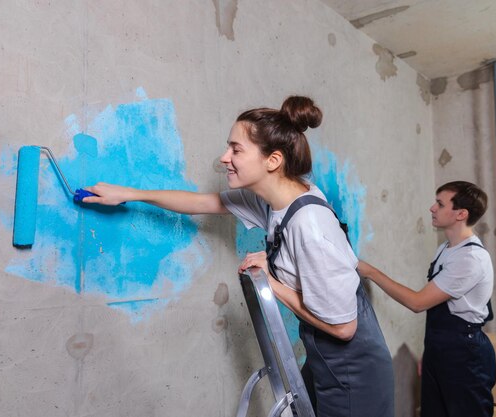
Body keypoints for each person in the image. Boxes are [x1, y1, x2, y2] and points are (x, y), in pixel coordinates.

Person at [82, 96, 394, 417]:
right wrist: (131, 195)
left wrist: (271, 285)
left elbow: (344, 328)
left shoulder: (310, 224)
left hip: (356, 369)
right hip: (323, 356)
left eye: (236, 149)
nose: (224, 158)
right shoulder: (273, 201)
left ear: (272, 160)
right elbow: (204, 203)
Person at [357, 181, 496, 417]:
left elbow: (418, 303)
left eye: (440, 204)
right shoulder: (446, 248)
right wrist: (432, 349)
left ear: (461, 214)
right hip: (442, 346)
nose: (432, 208)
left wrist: (370, 272)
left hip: (465, 352)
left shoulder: (470, 258)